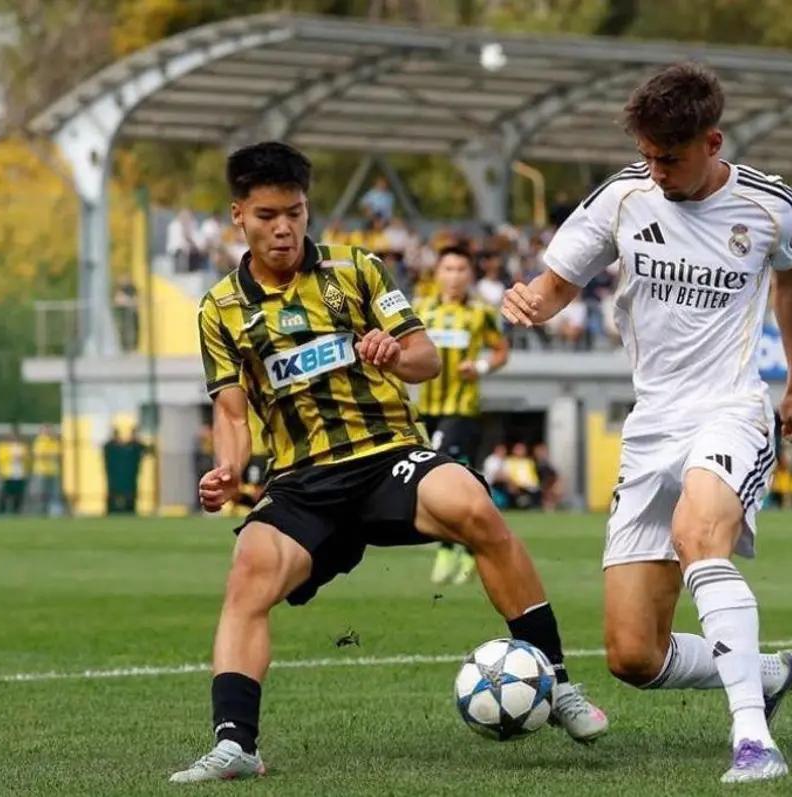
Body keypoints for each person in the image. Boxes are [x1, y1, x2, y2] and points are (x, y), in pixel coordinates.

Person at [171, 142, 605, 784]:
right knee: (248, 574)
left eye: (295, 212)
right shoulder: (219, 309)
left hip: (387, 456)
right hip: (303, 481)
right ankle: (237, 744)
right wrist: (227, 471)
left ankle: (557, 681)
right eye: (267, 215)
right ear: (238, 214)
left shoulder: (356, 269)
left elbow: (425, 358)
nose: (284, 228)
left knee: (474, 507)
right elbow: (232, 414)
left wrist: (393, 354)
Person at [502, 63, 792, 785]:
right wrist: (533, 304)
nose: (656, 171)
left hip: (730, 408)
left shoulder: (769, 206)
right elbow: (556, 284)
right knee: (633, 655)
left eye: (668, 158)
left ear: (713, 142)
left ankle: (753, 740)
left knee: (698, 534)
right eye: (646, 155)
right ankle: (766, 671)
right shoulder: (623, 197)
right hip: (650, 425)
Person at [415, 246, 510, 585]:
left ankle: (446, 547)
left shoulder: (481, 312)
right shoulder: (420, 309)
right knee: (463, 481)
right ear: (437, 273)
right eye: (448, 268)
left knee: (439, 473)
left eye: (460, 269)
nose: (454, 276)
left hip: (462, 409)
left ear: (470, 275)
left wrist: (480, 366)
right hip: (426, 408)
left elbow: (501, 350)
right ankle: (471, 544)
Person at [31, 425, 64, 516]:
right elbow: (38, 455)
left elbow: (59, 454)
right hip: (41, 471)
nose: (48, 432)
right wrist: (49, 455)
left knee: (54, 492)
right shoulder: (39, 441)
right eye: (46, 430)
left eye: (49, 430)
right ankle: (41, 511)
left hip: (53, 470)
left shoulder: (54, 441)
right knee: (41, 493)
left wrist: (47, 455)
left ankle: (54, 512)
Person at [0, 431, 28, 515]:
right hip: (8, 474)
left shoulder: (22, 447)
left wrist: (21, 457)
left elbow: (27, 457)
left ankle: (16, 511)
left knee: (18, 494)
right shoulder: (2, 447)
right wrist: (11, 456)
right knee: (5, 493)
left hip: (19, 474)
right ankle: (2, 510)